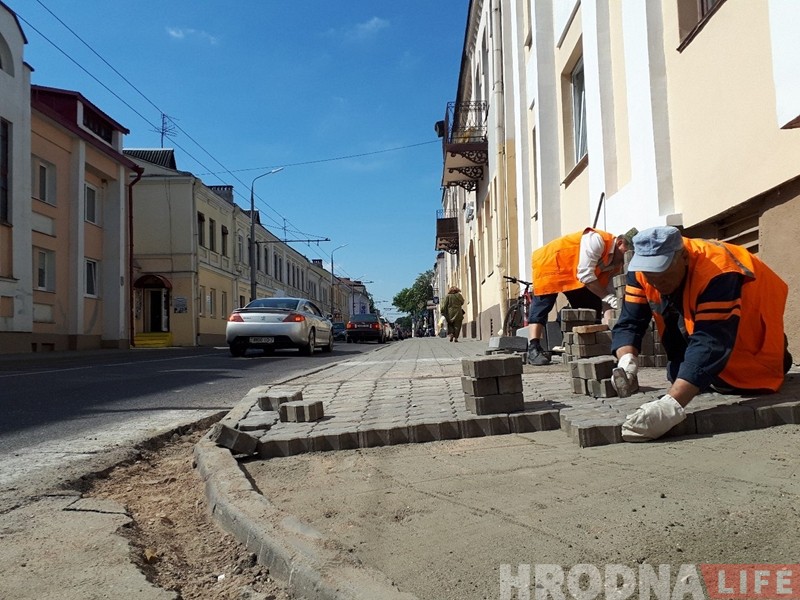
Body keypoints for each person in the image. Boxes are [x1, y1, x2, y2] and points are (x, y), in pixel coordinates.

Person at [611, 226, 792, 442]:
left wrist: (670, 405)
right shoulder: (642, 270)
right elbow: (630, 321)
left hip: (748, 337)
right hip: (709, 331)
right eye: (651, 275)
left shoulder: (718, 270)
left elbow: (711, 340)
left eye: (663, 272)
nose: (657, 282)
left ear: (683, 257)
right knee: (679, 373)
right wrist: (626, 361)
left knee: (740, 379)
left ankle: (777, 358)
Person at [526, 227, 637, 365]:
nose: (627, 257)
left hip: (575, 274)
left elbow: (606, 293)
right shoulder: (597, 240)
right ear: (620, 243)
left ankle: (584, 346)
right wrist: (608, 297)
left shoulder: (616, 263)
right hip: (552, 264)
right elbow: (585, 275)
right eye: (627, 251)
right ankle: (533, 348)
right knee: (542, 306)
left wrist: (611, 328)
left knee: (591, 308)